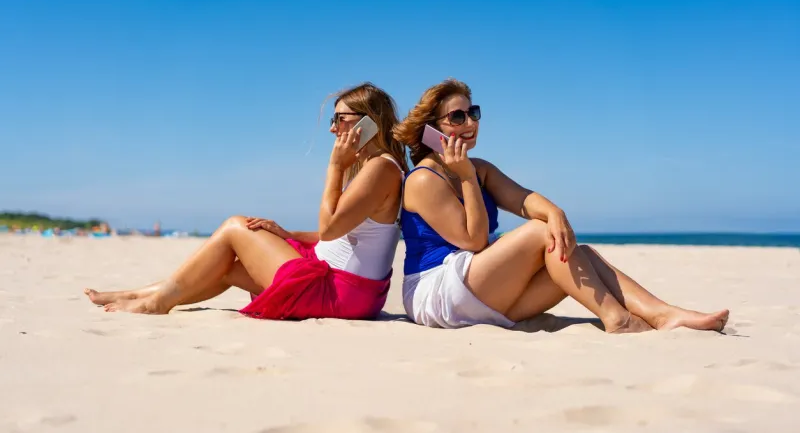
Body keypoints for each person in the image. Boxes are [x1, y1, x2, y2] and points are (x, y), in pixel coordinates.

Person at [392, 79, 729, 333]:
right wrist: (465, 177)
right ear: (433, 129)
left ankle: (663, 313)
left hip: (477, 289)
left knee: (579, 254)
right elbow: (475, 241)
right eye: (457, 116)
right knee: (542, 234)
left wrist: (556, 213)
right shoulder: (424, 180)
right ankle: (618, 319)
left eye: (473, 113)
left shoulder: (480, 169)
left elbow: (523, 200)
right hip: (436, 291)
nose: (469, 122)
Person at [85, 82, 408, 319]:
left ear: (368, 122)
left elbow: (330, 228)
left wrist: (335, 167)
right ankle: (144, 294)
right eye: (332, 121)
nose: (333, 129)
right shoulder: (374, 166)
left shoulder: (380, 168)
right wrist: (290, 235)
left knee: (235, 227)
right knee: (226, 268)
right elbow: (352, 235)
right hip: (344, 284)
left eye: (340, 119)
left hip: (342, 292)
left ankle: (156, 302)